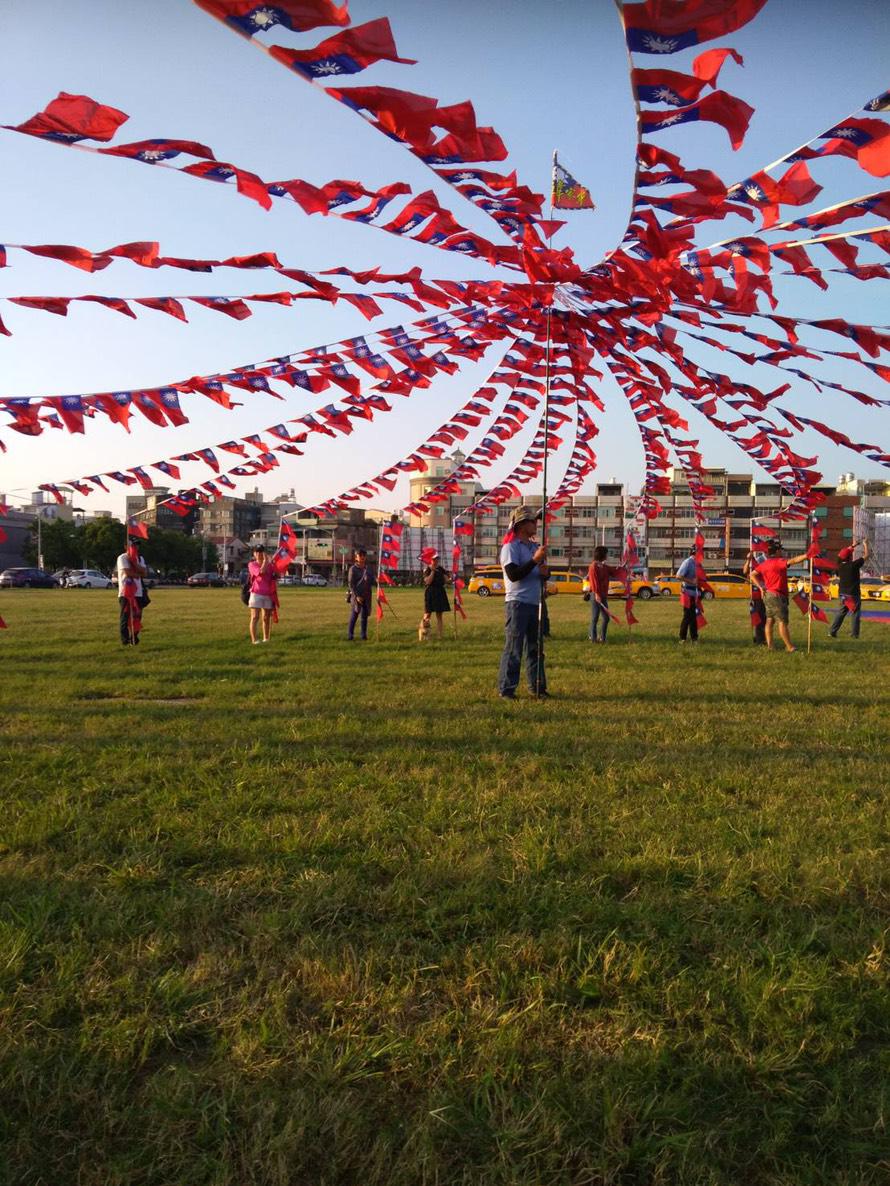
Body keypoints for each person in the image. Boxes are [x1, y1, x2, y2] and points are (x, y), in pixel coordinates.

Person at [497, 505, 549, 699]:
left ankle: (538, 687)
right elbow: (513, 575)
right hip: (517, 603)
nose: (535, 524)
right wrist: (535, 562)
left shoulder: (535, 548)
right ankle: (507, 689)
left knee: (535, 649)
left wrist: (545, 571)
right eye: (531, 521)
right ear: (520, 525)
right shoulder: (510, 548)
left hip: (535, 603)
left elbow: (542, 573)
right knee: (514, 648)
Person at [750, 539, 810, 652]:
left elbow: (752, 574)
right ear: (777, 551)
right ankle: (789, 647)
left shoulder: (764, 564)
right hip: (777, 595)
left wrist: (761, 587)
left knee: (769, 620)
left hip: (768, 595)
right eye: (780, 550)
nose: (782, 552)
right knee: (782, 622)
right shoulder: (779, 561)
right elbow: (794, 560)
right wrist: (807, 555)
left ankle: (770, 646)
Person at [830, 538, 871, 639]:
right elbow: (866, 556)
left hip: (843, 594)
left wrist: (853, 545)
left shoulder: (839, 566)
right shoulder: (854, 565)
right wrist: (865, 544)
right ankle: (854, 634)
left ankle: (832, 631)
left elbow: (843, 554)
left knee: (841, 612)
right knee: (855, 613)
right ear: (849, 557)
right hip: (853, 594)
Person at [116, 539, 148, 645]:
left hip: (138, 592)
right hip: (126, 592)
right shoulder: (122, 558)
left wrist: (135, 563)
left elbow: (145, 573)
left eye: (136, 545)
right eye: (132, 545)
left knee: (137, 617)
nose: (135, 547)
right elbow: (128, 572)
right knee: (125, 618)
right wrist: (138, 572)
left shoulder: (140, 558)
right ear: (126, 546)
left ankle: (134, 638)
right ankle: (125, 640)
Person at [587, 545, 619, 643]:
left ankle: (602, 638)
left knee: (606, 618)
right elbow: (593, 581)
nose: (607, 555)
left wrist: (623, 567)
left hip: (603, 595)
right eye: (606, 553)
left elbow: (614, 572)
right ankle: (593, 638)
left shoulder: (604, 566)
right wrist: (597, 594)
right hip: (596, 595)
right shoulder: (593, 566)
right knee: (595, 617)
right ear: (602, 554)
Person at [246, 544, 277, 644]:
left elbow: (276, 575)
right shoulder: (252, 564)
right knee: (255, 616)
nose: (259, 554)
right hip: (256, 593)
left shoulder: (270, 565)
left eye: (261, 551)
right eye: (257, 552)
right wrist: (265, 562)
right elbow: (261, 572)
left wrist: (276, 567)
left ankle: (266, 638)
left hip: (268, 594)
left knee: (266, 617)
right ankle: (254, 640)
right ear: (254, 554)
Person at [346, 547, 374, 641]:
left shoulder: (368, 569)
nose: (362, 557)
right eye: (360, 555)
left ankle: (363, 635)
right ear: (356, 557)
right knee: (354, 615)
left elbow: (371, 580)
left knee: (364, 617)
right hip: (357, 596)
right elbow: (351, 584)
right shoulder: (353, 569)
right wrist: (357, 596)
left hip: (367, 596)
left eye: (363, 555)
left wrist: (376, 580)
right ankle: (350, 635)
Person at [421, 552, 450, 640]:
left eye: (437, 558)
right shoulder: (427, 569)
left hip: (440, 592)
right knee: (427, 614)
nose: (436, 560)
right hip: (430, 592)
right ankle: (424, 634)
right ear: (431, 560)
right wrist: (433, 571)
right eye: (434, 559)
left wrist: (449, 578)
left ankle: (440, 636)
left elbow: (446, 580)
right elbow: (428, 581)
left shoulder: (441, 569)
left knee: (439, 615)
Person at [675, 548, 701, 644]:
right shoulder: (687, 562)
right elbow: (678, 576)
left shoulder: (698, 563)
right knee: (687, 616)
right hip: (687, 593)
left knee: (694, 617)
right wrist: (692, 581)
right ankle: (682, 638)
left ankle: (694, 638)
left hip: (695, 594)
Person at [743, 550, 767, 646]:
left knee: (764, 617)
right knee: (757, 617)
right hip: (755, 594)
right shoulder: (756, 561)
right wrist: (748, 560)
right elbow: (745, 571)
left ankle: (761, 638)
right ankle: (759, 639)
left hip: (764, 593)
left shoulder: (760, 562)